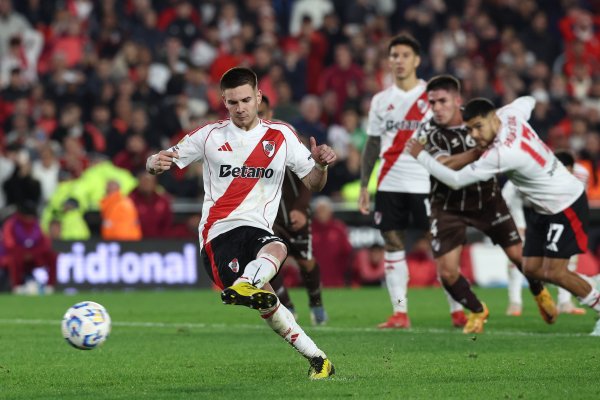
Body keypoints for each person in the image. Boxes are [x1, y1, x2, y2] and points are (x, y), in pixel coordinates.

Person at [146, 67, 336, 378]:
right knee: (270, 292)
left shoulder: (281, 135)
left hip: (258, 232)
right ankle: (248, 284)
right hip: (218, 234)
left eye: (246, 100)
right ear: (224, 101)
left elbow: (314, 183)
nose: (240, 108)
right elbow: (159, 160)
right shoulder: (209, 135)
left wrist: (321, 165)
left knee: (272, 281)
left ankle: (320, 361)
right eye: (233, 102)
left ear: (259, 97)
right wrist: (153, 163)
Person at [407, 96, 600, 336]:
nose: (474, 135)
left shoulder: (501, 153)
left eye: (479, 127)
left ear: (493, 118)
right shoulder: (510, 114)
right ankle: (592, 283)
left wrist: (421, 156)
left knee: (556, 272)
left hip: (565, 203)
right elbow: (529, 100)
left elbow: (455, 180)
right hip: (543, 208)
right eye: (469, 129)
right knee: (531, 269)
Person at [415, 75, 552, 334]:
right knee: (447, 272)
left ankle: (538, 291)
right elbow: (444, 165)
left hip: (487, 200)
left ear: (457, 100)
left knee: (519, 257)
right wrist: (480, 152)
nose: (437, 108)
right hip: (448, 205)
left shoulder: (479, 118)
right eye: (432, 103)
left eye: (442, 101)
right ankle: (477, 310)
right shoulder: (426, 132)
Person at [358, 34, 465, 329]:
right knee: (392, 243)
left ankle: (457, 309)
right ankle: (400, 313)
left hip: (426, 182)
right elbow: (372, 144)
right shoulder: (381, 101)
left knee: (440, 245)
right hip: (389, 182)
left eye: (405, 55)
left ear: (417, 60)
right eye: (394, 55)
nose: (399, 60)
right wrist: (365, 185)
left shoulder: (432, 97)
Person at [257, 95, 329, 325]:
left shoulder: (285, 136)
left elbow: (308, 173)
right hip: (265, 216)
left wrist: (300, 207)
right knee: (267, 261)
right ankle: (287, 308)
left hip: (292, 211)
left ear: (270, 113)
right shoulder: (244, 142)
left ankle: (316, 303)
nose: (258, 118)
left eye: (262, 113)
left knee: (305, 261)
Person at [504, 150, 589, 316]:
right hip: (526, 211)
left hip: (558, 209)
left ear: (572, 169)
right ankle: (515, 302)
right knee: (519, 256)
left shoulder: (581, 175)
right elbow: (510, 197)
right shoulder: (531, 173)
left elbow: (577, 197)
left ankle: (565, 301)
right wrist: (520, 225)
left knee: (566, 256)